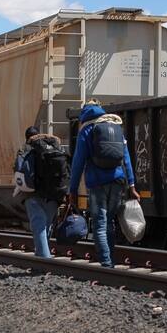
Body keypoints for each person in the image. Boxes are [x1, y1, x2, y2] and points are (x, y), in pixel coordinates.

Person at [67, 100, 139, 268]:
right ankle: (111, 260)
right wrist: (132, 185)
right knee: (110, 222)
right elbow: (126, 158)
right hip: (117, 181)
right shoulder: (115, 127)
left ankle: (106, 263)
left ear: (84, 112)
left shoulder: (86, 129)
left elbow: (78, 162)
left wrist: (73, 189)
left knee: (100, 223)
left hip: (97, 182)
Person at [14, 126, 64, 258]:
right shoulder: (56, 146)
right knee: (45, 227)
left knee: (39, 227)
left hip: (34, 194)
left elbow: (19, 170)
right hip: (54, 194)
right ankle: (40, 256)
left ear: (27, 138)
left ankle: (45, 261)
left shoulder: (26, 148)